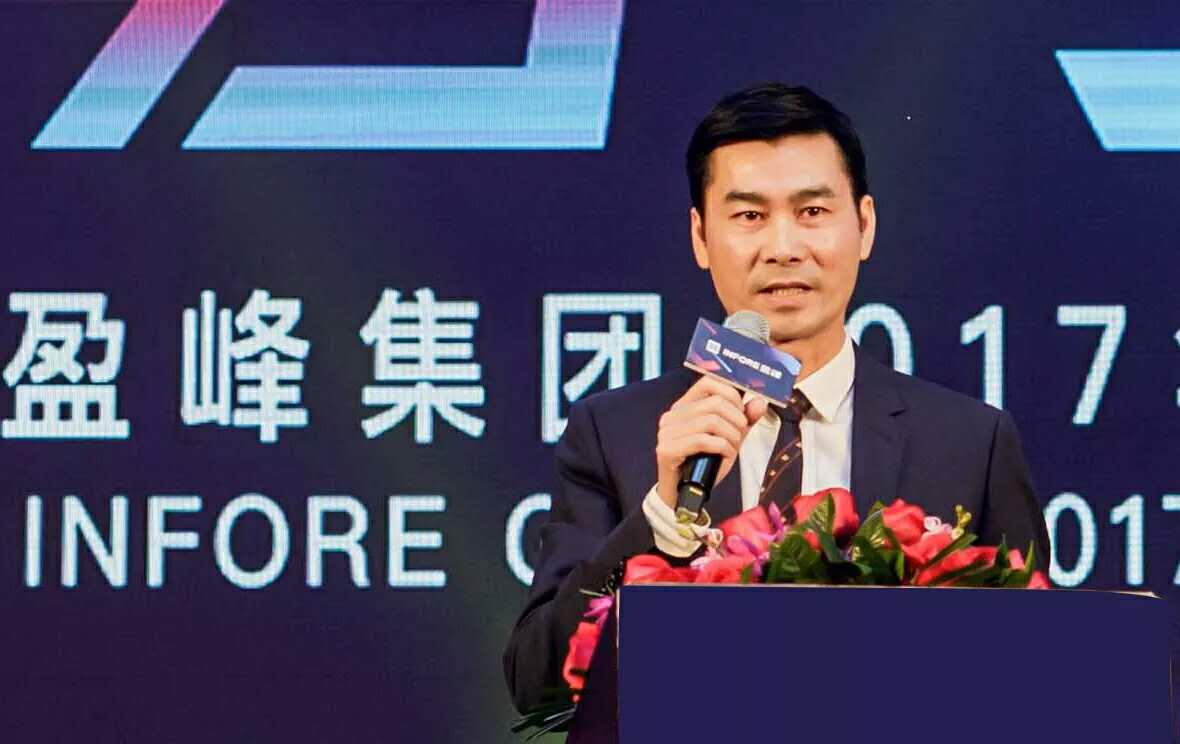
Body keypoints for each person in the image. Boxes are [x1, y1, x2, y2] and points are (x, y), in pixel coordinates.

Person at [503, 82, 1051, 721]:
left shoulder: (971, 443)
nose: (783, 247)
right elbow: (537, 681)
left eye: (812, 211)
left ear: (865, 226)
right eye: (749, 216)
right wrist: (661, 517)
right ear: (700, 237)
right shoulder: (615, 432)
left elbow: (1042, 673)